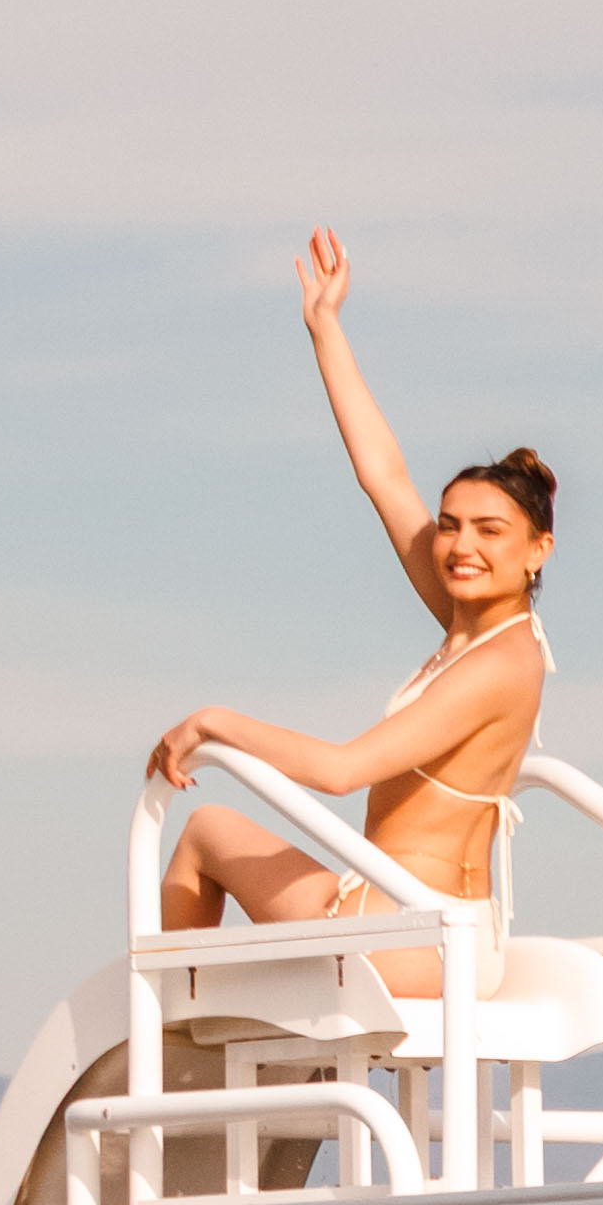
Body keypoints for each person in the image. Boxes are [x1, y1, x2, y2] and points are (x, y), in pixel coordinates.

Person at [146, 233, 557, 943]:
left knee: (206, 830)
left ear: (537, 551)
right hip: (424, 925)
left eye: (491, 532)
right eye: (452, 525)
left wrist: (215, 721)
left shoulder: (500, 662)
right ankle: (215, 1043)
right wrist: (325, 327)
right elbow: (386, 478)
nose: (461, 546)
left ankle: (178, 1047)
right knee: (213, 835)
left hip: (408, 932)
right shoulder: (473, 627)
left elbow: (341, 772)